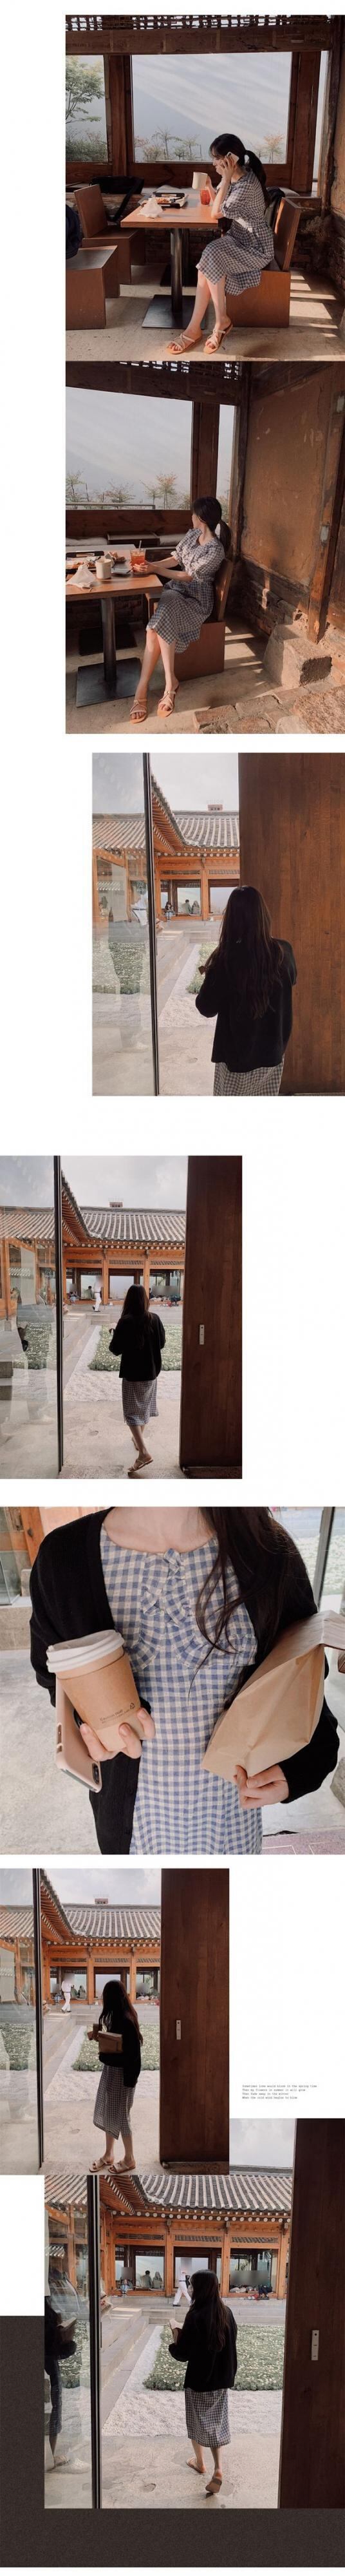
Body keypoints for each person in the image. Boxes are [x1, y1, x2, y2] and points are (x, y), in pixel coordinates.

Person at [30, 1506, 339, 1857]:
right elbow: (53, 1677)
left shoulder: (267, 1549)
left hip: (232, 1824)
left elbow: (305, 1681)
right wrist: (88, 1728)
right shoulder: (62, 1557)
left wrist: (295, 1769)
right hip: (132, 1834)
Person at [168, 131, 275, 356]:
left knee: (211, 254)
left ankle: (213, 324)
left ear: (230, 160)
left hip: (256, 247)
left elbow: (216, 213)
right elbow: (219, 201)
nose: (213, 163)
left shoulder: (245, 185)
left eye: (217, 158)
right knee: (208, 260)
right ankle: (203, 326)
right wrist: (210, 185)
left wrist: (224, 180)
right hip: (240, 238)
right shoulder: (240, 177)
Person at [130, 498, 225, 723]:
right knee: (158, 622)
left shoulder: (216, 550)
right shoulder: (192, 535)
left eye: (193, 514)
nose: (190, 517)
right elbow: (176, 559)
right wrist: (150, 566)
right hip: (176, 591)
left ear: (201, 518)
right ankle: (165, 683)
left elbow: (188, 576)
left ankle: (149, 689)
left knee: (154, 629)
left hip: (197, 600)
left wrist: (154, 569)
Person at [196, 885, 297, 1094]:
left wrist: (211, 975)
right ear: (264, 916)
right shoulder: (284, 951)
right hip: (273, 1056)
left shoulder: (225, 959)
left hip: (235, 1061)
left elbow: (206, 1008)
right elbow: (291, 981)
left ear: (230, 920)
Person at [169, 2269, 238, 2497]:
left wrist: (174, 2342)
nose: (190, 2289)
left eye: (192, 2286)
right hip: (221, 2380)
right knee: (216, 2424)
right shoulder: (226, 2312)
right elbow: (231, 2345)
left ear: (199, 2289)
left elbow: (184, 2353)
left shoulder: (195, 2315)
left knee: (195, 2422)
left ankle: (200, 2462)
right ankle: (218, 2468)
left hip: (199, 2380)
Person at [109, 1284, 165, 1476]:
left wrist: (114, 1332)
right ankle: (138, 1439)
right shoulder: (155, 1319)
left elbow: (115, 1349)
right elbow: (162, 1343)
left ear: (129, 1300)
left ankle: (143, 1453)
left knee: (132, 1414)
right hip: (151, 1373)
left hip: (132, 1374)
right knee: (145, 1408)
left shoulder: (125, 1321)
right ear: (145, 1299)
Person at [89, 1979, 142, 2171]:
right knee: (110, 2112)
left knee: (123, 2117)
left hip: (124, 2077)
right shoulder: (118, 2017)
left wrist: (103, 2056)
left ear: (111, 1998)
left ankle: (130, 2159)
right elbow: (117, 2047)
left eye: (105, 1997)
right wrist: (101, 2039)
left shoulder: (127, 2020)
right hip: (114, 2073)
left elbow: (130, 2057)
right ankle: (109, 2154)